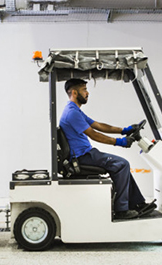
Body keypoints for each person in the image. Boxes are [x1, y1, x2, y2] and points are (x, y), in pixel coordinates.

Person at [59, 78, 156, 219]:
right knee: (122, 164)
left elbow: (98, 125)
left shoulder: (74, 110)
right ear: (74, 92)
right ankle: (122, 210)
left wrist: (125, 130)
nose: (87, 93)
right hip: (81, 157)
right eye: (84, 90)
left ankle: (137, 203)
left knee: (121, 164)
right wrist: (120, 142)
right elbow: (94, 134)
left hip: (86, 154)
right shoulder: (72, 113)